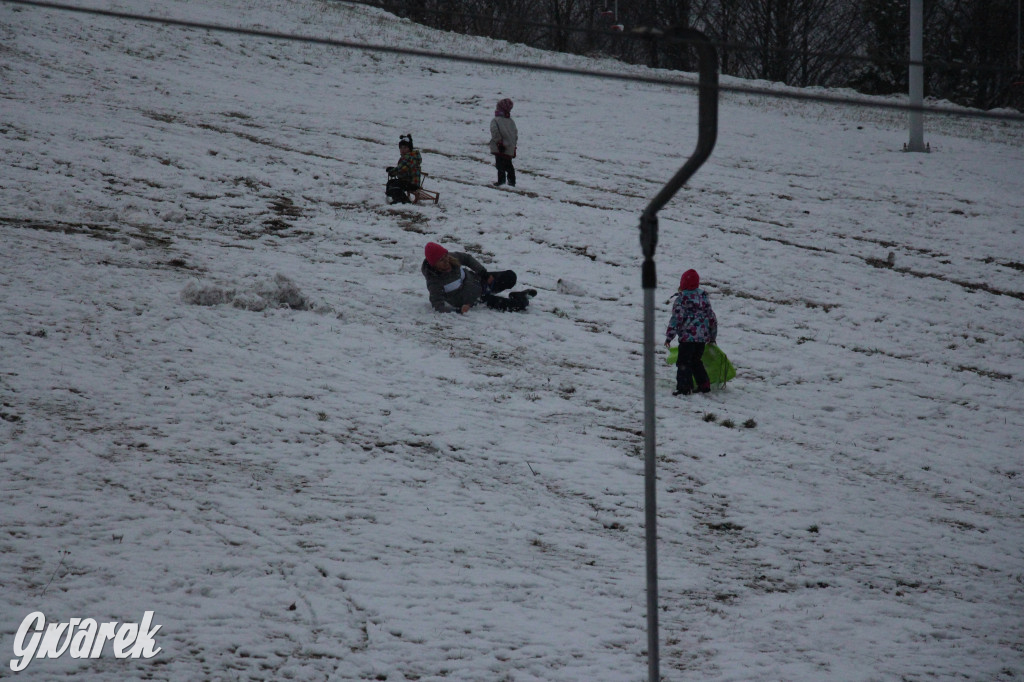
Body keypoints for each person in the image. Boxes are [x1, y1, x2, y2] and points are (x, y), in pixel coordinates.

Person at [421, 242, 536, 314]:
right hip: (477, 299)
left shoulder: (451, 258)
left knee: (510, 276)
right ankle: (521, 298)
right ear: (434, 264)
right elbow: (438, 305)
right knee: (518, 306)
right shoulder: (434, 281)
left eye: (445, 256)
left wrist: (484, 273)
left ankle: (512, 294)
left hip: (480, 282)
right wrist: (458, 310)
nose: (446, 260)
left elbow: (467, 259)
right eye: (441, 260)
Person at [664, 269, 718, 395]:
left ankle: (684, 388)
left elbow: (676, 319)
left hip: (687, 339)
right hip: (701, 340)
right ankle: (704, 384)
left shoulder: (682, 300)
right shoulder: (704, 298)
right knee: (696, 361)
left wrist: (669, 337)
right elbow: (712, 319)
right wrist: (712, 336)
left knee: (684, 363)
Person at [489, 98, 518, 187]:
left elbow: (495, 132)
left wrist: (498, 142)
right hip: (510, 147)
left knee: (500, 165)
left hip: (500, 147)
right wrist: (513, 145)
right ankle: (512, 181)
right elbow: (515, 134)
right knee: (509, 165)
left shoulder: (496, 120)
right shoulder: (511, 121)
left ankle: (501, 181)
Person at [386, 134, 422, 203]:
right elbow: (402, 168)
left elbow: (402, 169)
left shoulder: (409, 157)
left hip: (412, 183)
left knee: (395, 185)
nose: (402, 150)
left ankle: (403, 201)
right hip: (408, 180)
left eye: (405, 148)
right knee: (391, 182)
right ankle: (395, 198)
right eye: (401, 148)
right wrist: (393, 170)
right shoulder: (408, 157)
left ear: (409, 148)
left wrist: (392, 171)